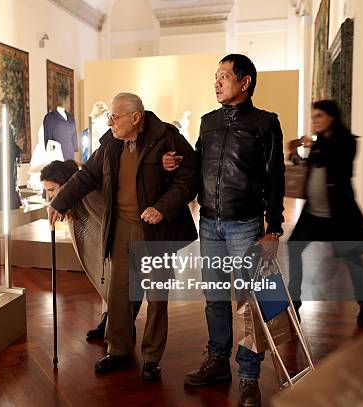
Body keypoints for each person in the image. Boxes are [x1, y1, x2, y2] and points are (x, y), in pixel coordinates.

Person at [48, 92, 198, 381]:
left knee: (156, 296)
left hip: (156, 228)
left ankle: (152, 357)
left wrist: (162, 208)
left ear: (136, 118)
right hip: (122, 226)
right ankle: (119, 350)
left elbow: (189, 177)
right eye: (109, 116)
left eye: (115, 117)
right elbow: (86, 176)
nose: (110, 122)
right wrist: (59, 202)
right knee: (118, 292)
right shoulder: (111, 143)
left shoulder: (167, 138)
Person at [165, 54, 285, 406]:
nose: (216, 82)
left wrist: (273, 228)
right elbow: (198, 163)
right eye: (215, 76)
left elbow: (275, 178)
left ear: (244, 82)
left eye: (224, 76)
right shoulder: (207, 122)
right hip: (209, 222)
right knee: (215, 297)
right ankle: (217, 361)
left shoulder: (265, 123)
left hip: (245, 224)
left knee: (250, 302)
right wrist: (174, 163)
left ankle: (249, 375)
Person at [287, 100, 363, 327]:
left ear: (332, 117)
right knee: (294, 247)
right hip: (313, 214)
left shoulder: (347, 142)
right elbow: (311, 167)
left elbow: (338, 164)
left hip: (339, 215)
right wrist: (295, 155)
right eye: (313, 116)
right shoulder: (319, 144)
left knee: (353, 259)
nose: (314, 120)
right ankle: (294, 300)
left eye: (319, 116)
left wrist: (314, 143)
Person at [40, 160, 142, 340]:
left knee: (121, 285)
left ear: (65, 185)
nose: (50, 197)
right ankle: (108, 322)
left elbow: (109, 219)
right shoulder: (74, 200)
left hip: (129, 244)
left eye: (51, 190)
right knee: (109, 281)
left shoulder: (88, 195)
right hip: (116, 248)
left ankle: (123, 328)